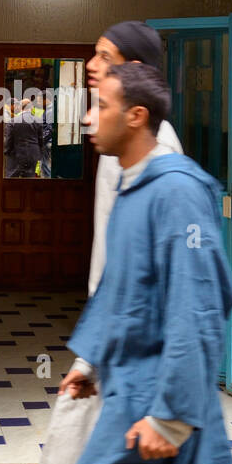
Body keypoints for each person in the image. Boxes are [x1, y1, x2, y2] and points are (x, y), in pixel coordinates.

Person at [49, 64, 232, 464]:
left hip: (152, 405)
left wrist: (170, 416)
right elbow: (122, 291)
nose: (89, 119)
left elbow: (199, 309)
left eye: (101, 107)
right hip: (130, 396)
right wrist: (91, 364)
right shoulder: (134, 189)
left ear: (136, 115)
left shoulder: (177, 193)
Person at [85, 22, 182, 297]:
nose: (92, 65)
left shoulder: (156, 146)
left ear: (132, 68)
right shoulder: (120, 135)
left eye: (104, 57)